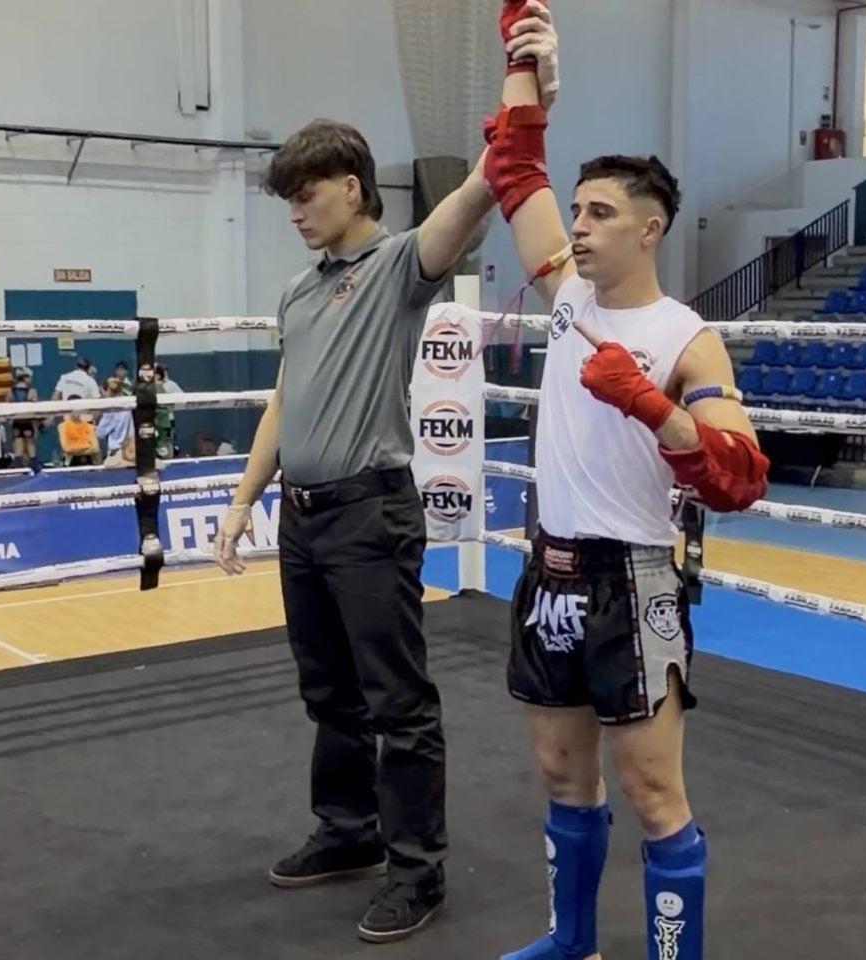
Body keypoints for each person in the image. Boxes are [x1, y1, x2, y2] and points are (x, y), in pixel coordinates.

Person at [484, 4, 769, 960]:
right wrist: (526, 60)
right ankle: (573, 942)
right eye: (577, 211)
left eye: (600, 214)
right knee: (563, 781)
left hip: (634, 581)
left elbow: (739, 477)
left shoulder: (687, 336)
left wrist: (652, 406)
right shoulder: (565, 291)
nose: (578, 226)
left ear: (649, 229)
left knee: (651, 794)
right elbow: (513, 169)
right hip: (547, 573)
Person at [213, 117, 495, 943]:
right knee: (328, 694)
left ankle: (418, 871)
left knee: (396, 703)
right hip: (302, 518)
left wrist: (519, 115)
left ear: (350, 186)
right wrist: (241, 500)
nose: (295, 214)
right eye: (287, 202)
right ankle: (348, 834)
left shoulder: (398, 266)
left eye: (305, 197)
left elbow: (476, 195)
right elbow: (283, 400)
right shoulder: (300, 290)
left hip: (370, 514)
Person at [9, 367, 39, 469]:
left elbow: (8, 404)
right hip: (27, 420)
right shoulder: (32, 391)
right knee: (30, 440)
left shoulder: (10, 391)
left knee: (18, 439)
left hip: (16, 420)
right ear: (25, 378)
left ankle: (18, 460)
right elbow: (34, 405)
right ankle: (33, 461)